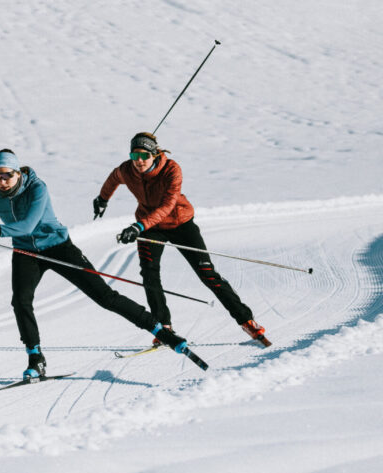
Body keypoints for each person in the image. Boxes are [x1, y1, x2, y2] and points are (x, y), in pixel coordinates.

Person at [0, 149, 190, 379]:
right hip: (25, 252)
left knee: (104, 297)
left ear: (18, 173)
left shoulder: (37, 188)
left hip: (58, 247)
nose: (3, 181)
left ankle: (160, 330)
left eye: (7, 175)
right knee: (20, 301)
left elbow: (27, 226)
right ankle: (35, 358)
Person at [93, 132, 267, 344]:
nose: (138, 162)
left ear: (154, 154)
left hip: (180, 224)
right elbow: (113, 179)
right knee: (149, 274)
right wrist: (102, 199)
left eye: (144, 156)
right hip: (150, 227)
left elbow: (167, 206)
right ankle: (163, 326)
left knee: (207, 274)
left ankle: (246, 321)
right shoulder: (126, 170)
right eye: (134, 156)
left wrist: (138, 226)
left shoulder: (171, 169)